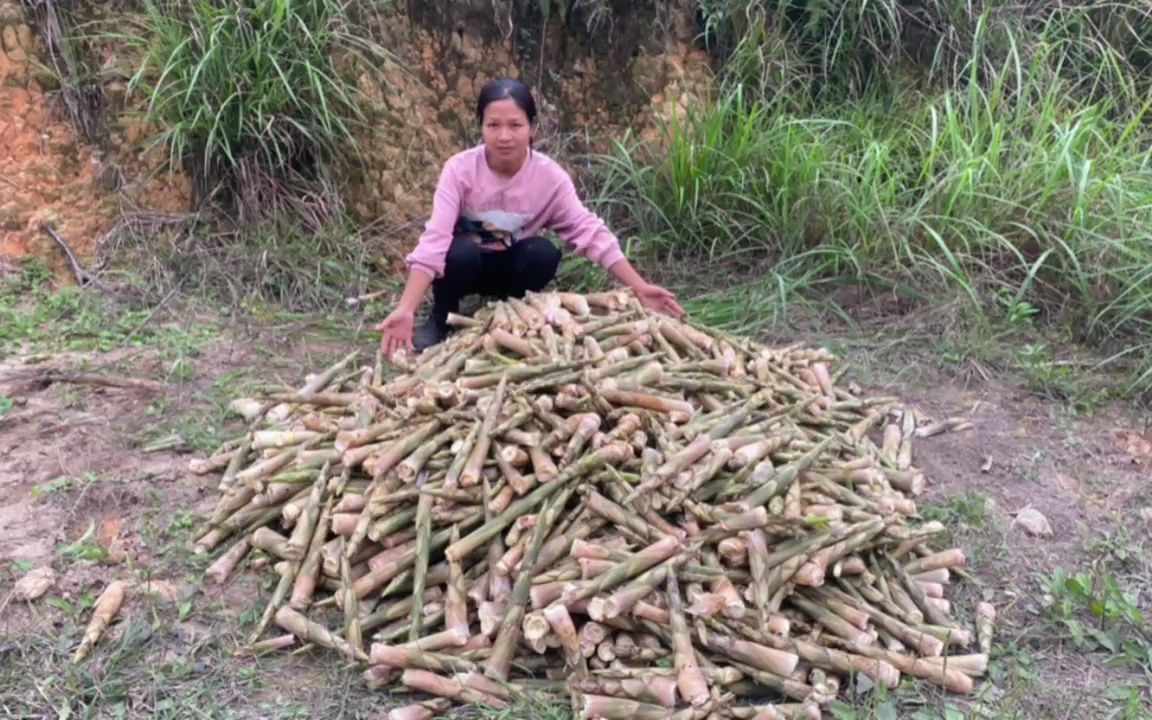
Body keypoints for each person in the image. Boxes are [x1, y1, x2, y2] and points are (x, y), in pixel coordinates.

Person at [376, 78, 684, 360]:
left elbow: (591, 234)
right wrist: (406, 308)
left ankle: (511, 311)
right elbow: (435, 239)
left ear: (532, 128)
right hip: (464, 266)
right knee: (459, 252)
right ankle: (442, 316)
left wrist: (640, 287)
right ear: (481, 127)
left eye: (515, 125)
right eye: (493, 125)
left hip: (511, 266)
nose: (504, 136)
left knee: (542, 252)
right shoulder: (459, 170)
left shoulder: (549, 178)